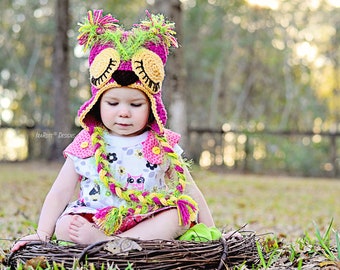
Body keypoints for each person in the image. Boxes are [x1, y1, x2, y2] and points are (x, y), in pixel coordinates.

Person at [11, 9, 217, 252]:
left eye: (135, 104)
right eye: (113, 103)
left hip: (146, 220)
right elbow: (60, 191)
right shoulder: (87, 142)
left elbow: (190, 188)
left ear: (151, 107)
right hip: (96, 219)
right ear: (97, 104)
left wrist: (213, 232)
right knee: (65, 225)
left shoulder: (161, 143)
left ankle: (115, 244)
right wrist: (42, 233)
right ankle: (103, 239)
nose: (124, 112)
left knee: (180, 214)